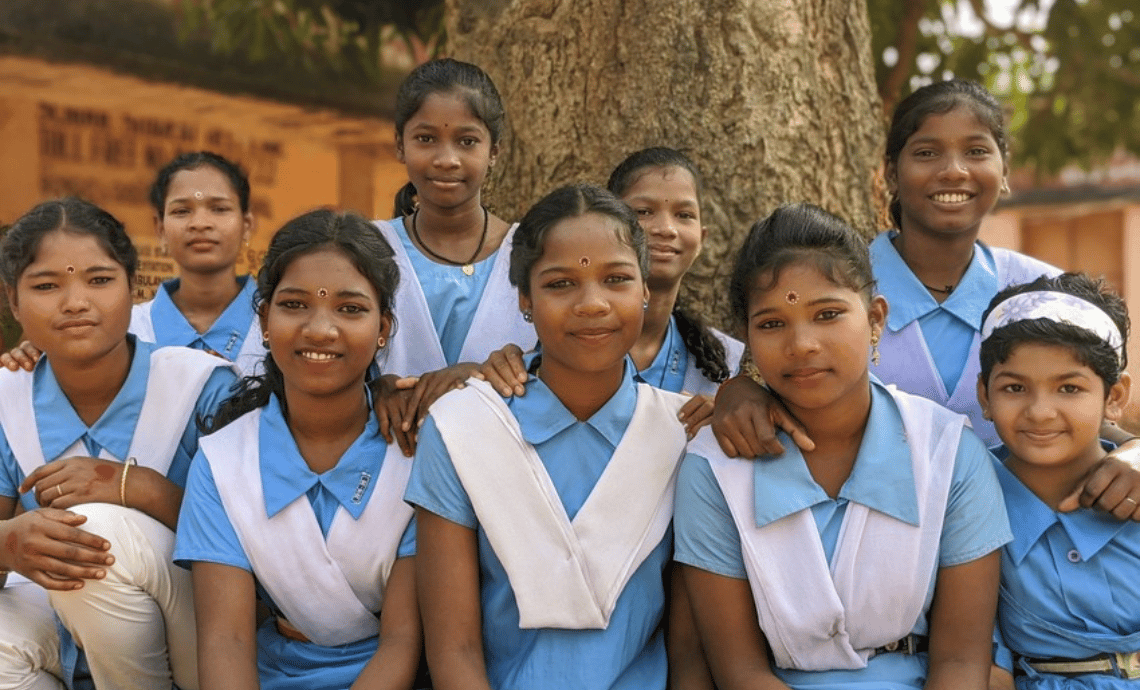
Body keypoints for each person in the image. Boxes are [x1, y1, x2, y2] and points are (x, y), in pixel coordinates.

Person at [710, 79, 1140, 518]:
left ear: (1004, 169)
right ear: (891, 173)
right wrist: (737, 390)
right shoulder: (839, 288)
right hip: (877, 542)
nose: (954, 170)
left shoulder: (1044, 292)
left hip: (1032, 551)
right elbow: (778, 375)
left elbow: (1095, 407)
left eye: (976, 151)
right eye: (927, 152)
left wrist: (1134, 454)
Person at [676, 203, 1009, 690]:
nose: (802, 343)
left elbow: (960, 664)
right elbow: (740, 673)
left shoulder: (947, 454)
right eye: (772, 324)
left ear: (875, 319)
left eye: (827, 314)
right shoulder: (715, 469)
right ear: (746, 336)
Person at [407, 184, 696, 690]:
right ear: (524, 298)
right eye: (561, 284)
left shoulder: (684, 434)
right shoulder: (462, 429)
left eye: (617, 279)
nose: (591, 304)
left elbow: (691, 655)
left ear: (646, 289)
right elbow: (454, 649)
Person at [174, 210, 419, 690]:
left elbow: (404, 642)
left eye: (350, 309)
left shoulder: (414, 452)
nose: (320, 330)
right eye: (294, 305)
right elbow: (227, 642)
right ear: (264, 319)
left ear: (384, 328)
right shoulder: (225, 462)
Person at [0, 198, 237, 690]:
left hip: (203, 630)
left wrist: (137, 487)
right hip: (62, 626)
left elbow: (257, 545)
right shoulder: (9, 399)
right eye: (46, 285)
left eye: (100, 280)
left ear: (137, 288)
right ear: (13, 301)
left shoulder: (202, 387)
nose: (75, 302)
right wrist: (9, 544)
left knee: (89, 532)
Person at [479, 147, 744, 436]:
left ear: (703, 237)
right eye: (643, 212)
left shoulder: (725, 361)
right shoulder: (547, 337)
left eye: (684, 214)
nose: (666, 228)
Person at [977, 273, 1140, 688]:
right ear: (985, 397)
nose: (1040, 412)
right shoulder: (968, 502)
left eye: (1069, 388)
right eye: (1015, 387)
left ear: (1115, 397)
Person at [371, 58, 534, 450]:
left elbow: (563, 365)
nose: (447, 159)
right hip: (386, 467)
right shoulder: (367, 250)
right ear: (399, 145)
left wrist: (475, 376)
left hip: (502, 467)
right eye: (426, 139)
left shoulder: (532, 253)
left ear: (494, 151)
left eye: (467, 141)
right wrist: (369, 389)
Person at [1, 151, 264, 376]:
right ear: (159, 227)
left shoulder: (278, 326)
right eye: (181, 211)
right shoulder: (113, 328)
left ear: (247, 224)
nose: (200, 223)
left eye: (219, 209)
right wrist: (40, 355)